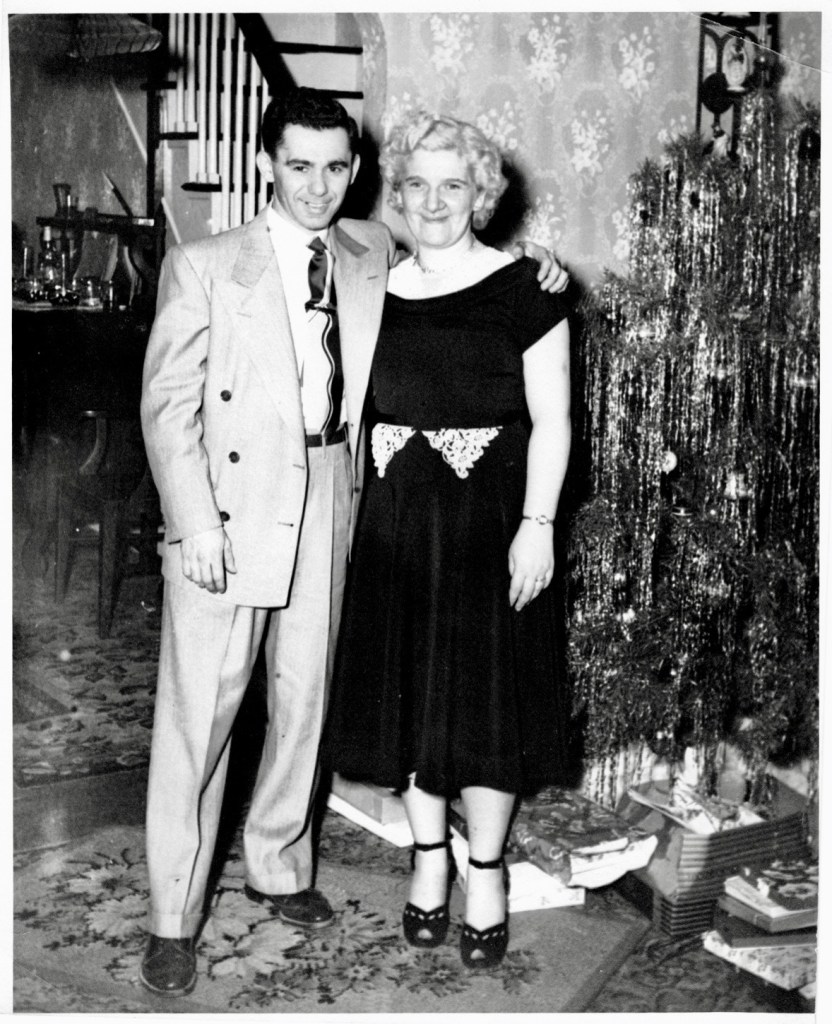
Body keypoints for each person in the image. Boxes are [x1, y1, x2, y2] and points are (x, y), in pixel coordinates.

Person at [138, 88, 568, 997]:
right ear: (266, 164)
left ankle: (278, 865)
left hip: (339, 493)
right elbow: (165, 408)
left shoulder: (370, 252)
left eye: (336, 168)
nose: (317, 186)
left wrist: (542, 264)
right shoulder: (204, 264)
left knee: (306, 703)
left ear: (360, 174)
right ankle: (173, 917)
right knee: (201, 716)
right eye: (298, 165)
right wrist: (195, 519)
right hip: (232, 506)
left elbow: (477, 271)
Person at [326, 111, 572, 970]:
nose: (434, 202)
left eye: (453, 185)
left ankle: (487, 871)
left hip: (489, 524)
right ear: (396, 193)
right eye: (417, 185)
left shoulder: (527, 288)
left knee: (484, 703)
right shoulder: (371, 285)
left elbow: (554, 420)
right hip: (397, 524)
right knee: (411, 699)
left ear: (482, 196)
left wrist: (537, 526)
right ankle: (429, 859)